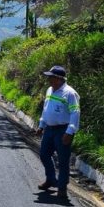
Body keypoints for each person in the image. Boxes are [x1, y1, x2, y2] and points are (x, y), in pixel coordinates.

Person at [36, 65, 80, 199]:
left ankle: (62, 188)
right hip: (49, 129)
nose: (48, 79)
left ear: (59, 78)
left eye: (51, 77)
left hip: (63, 130)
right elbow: (46, 109)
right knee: (44, 154)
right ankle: (50, 179)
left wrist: (70, 131)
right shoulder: (50, 90)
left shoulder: (70, 93)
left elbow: (75, 112)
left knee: (63, 160)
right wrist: (41, 125)